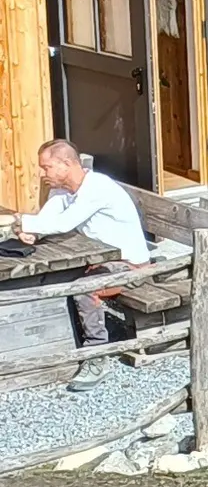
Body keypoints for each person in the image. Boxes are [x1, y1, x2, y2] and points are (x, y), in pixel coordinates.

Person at [15, 140, 150, 391]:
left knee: (85, 288)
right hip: (100, 260)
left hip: (130, 265)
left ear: (67, 164)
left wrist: (23, 222)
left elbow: (64, 224)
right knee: (59, 276)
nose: (43, 173)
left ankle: (97, 353)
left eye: (47, 167)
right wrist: (32, 232)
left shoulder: (96, 188)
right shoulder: (62, 189)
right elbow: (49, 220)